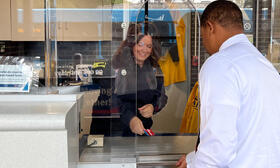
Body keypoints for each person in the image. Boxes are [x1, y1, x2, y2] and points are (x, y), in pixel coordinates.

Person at [176, 0, 280, 167]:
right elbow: (247, 132)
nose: (204, 44)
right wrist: (191, 158)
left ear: (210, 27)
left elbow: (218, 148)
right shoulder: (265, 66)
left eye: (202, 37)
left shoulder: (220, 64)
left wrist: (194, 164)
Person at [112, 23, 168, 136]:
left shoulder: (154, 68)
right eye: (140, 44)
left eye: (149, 46)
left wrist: (153, 107)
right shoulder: (118, 65)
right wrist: (130, 119)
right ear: (131, 44)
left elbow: (162, 96)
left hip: (142, 131)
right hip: (116, 131)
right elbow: (111, 99)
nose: (144, 50)